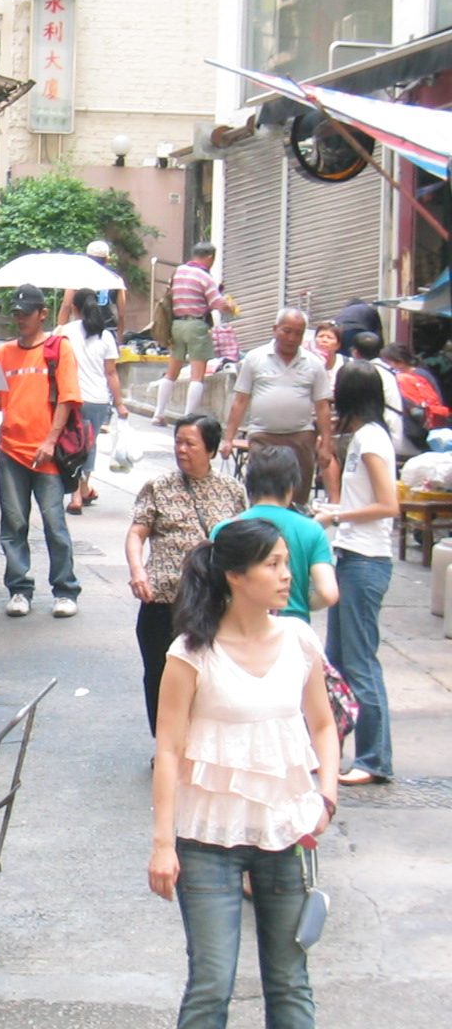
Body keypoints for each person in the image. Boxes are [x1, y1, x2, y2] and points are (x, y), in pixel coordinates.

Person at [149, 518, 339, 1029]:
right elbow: (168, 749)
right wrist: (162, 844)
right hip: (205, 839)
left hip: (287, 832)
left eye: (286, 562)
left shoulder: (298, 639)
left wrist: (325, 796)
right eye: (272, 564)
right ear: (235, 575)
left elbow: (324, 724)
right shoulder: (191, 653)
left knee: (290, 980)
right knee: (212, 985)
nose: (286, 575)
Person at [124, 414, 247, 735]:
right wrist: (138, 571)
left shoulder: (231, 491)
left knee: (211, 675)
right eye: (177, 442)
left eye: (189, 444)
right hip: (162, 602)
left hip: (212, 604)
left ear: (210, 449)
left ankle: (203, 740)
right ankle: (166, 742)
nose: (181, 450)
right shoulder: (158, 487)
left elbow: (243, 545)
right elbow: (137, 534)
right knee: (159, 674)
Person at [0, 283, 82, 618]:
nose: (20, 319)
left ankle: (65, 590)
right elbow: (0, 400)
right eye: (16, 313)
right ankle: (19, 589)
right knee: (13, 523)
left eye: (26, 313)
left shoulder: (58, 348)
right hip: (11, 450)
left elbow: (68, 398)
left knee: (54, 523)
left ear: (42, 314)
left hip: (46, 453)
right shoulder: (3, 354)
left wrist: (50, 440)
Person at [316, 361, 400, 785]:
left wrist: (337, 516)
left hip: (365, 561)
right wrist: (335, 513)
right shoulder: (365, 437)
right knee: (337, 661)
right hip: (350, 555)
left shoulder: (370, 438)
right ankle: (332, 750)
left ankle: (374, 759)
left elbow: (388, 504)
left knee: (360, 663)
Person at [220, 308, 334, 502]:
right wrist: (228, 439)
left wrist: (326, 445)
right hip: (263, 436)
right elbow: (240, 401)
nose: (291, 338)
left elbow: (323, 407)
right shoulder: (255, 358)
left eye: (298, 333)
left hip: (301, 437)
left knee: (297, 498)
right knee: (261, 495)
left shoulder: (314, 364)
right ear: (275, 329)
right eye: (287, 331)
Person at [213, 445, 338, 623]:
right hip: (293, 628)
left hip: (239, 625)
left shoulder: (225, 529)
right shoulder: (312, 530)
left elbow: (214, 588)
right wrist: (301, 603)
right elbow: (328, 594)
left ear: (249, 483)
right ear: (291, 485)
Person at [55, 288, 127, 514]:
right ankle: (83, 488)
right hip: (97, 400)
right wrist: (120, 403)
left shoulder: (64, 332)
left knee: (71, 444)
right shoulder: (106, 336)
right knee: (88, 445)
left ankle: (77, 494)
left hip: (70, 396)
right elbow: (111, 373)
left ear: (74, 308)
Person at [154, 243, 234, 425]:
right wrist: (229, 306)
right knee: (197, 375)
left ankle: (158, 414)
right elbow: (216, 303)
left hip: (176, 325)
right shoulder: (205, 277)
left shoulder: (178, 271)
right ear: (209, 258)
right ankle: (188, 417)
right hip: (196, 326)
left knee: (171, 372)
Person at [351, 332, 416, 459]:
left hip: (388, 442)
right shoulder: (391, 371)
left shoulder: (365, 373)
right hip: (409, 439)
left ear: (355, 352)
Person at [56, 239, 126, 332]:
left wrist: (58, 332)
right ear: (107, 259)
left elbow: (66, 305)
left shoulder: (76, 277)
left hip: (82, 329)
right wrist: (119, 339)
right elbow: (121, 314)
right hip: (108, 329)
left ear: (87, 257)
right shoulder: (116, 279)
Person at [381, 342, 449, 428]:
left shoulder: (416, 376)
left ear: (400, 362)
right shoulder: (421, 373)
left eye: (386, 362)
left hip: (423, 425)